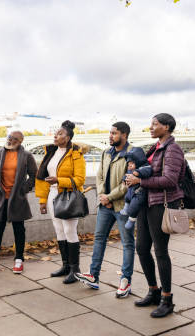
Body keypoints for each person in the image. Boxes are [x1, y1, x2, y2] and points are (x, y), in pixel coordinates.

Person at [125, 113, 185, 318]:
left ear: (167, 127)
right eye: (150, 124)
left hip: (161, 204)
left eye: (155, 124)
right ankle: (153, 291)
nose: (150, 127)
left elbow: (170, 180)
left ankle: (167, 299)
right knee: (141, 249)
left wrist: (139, 182)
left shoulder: (173, 149)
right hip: (146, 204)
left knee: (160, 251)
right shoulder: (156, 147)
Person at [76, 122, 136, 298]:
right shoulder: (106, 152)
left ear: (124, 135)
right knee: (99, 239)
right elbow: (100, 176)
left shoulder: (132, 153)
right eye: (110, 133)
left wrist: (109, 197)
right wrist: (103, 197)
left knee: (127, 244)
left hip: (123, 207)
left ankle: (125, 281)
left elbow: (129, 181)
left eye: (114, 133)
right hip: (105, 205)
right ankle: (93, 276)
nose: (110, 136)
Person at [35, 120, 86, 284]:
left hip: (68, 196)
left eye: (60, 134)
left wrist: (59, 180)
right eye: (56, 133)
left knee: (70, 231)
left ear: (68, 137)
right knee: (59, 231)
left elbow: (79, 180)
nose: (56, 136)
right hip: (52, 195)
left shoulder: (76, 154)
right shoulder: (50, 152)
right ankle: (65, 266)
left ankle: (75, 269)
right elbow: (42, 177)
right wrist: (43, 200)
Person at [0, 131, 38, 274]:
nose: (11, 140)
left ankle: (19, 259)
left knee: (19, 229)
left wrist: (23, 189)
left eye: (14, 139)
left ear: (20, 141)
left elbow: (34, 175)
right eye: (9, 137)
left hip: (17, 198)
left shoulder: (26, 156)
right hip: (0, 197)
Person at [120, 147, 153, 230]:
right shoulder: (130, 170)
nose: (129, 166)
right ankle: (126, 207)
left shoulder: (145, 167)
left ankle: (131, 220)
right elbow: (126, 176)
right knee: (127, 198)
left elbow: (147, 172)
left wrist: (138, 173)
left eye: (132, 163)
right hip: (131, 191)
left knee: (134, 207)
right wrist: (124, 180)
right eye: (128, 164)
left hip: (139, 193)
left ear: (138, 162)